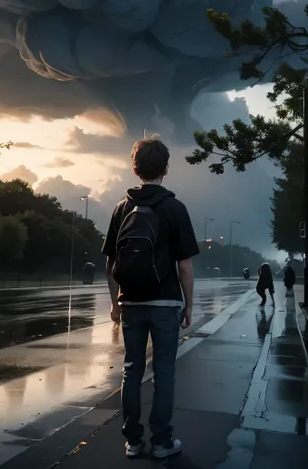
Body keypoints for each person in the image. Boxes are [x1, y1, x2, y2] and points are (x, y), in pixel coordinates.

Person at [102, 137, 199, 459]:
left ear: (135, 168)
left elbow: (110, 263)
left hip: (131, 302)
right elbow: (184, 265)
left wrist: (115, 302)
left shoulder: (121, 208)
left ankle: (133, 441)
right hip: (165, 302)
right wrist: (188, 305)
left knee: (131, 370)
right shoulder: (175, 208)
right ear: (166, 169)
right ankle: (161, 442)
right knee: (165, 370)